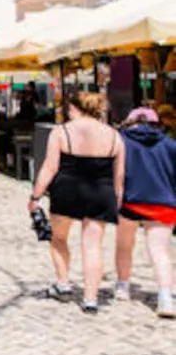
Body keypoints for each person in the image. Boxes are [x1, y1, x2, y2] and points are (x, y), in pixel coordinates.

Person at [29, 91, 124, 312]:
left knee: (58, 238)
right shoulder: (114, 136)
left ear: (75, 109)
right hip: (101, 192)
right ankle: (90, 298)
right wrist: (118, 199)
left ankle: (63, 283)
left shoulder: (61, 132)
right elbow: (119, 175)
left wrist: (35, 196)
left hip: (67, 190)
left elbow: (49, 168)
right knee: (93, 246)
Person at [116, 107, 176, 317]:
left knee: (124, 245)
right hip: (163, 202)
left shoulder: (122, 141)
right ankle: (166, 298)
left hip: (130, 200)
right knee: (160, 251)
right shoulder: (170, 144)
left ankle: (123, 286)